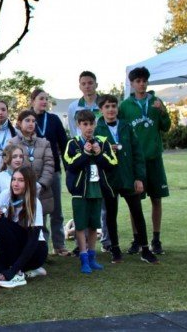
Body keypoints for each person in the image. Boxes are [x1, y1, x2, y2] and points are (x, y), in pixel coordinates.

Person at [96, 95, 158, 264]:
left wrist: (139, 178)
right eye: (107, 106)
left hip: (128, 177)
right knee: (110, 214)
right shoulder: (97, 129)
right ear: (101, 109)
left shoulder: (126, 126)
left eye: (113, 106)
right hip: (109, 178)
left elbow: (138, 153)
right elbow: (95, 155)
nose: (111, 109)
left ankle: (145, 249)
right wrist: (107, 150)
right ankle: (115, 249)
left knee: (137, 212)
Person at [119, 66, 171, 256]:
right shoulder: (125, 106)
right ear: (132, 84)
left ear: (147, 82)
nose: (141, 84)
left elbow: (166, 127)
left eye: (144, 81)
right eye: (137, 81)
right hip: (135, 162)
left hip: (154, 159)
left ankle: (156, 239)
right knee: (135, 201)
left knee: (156, 199)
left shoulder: (156, 102)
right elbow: (121, 129)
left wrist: (163, 112)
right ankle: (138, 240)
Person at [63, 110, 117, 274]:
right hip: (80, 191)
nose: (89, 128)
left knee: (94, 225)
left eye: (91, 124)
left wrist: (99, 154)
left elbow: (113, 163)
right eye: (85, 124)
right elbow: (70, 165)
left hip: (97, 190)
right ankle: (83, 257)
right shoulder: (72, 143)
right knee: (80, 225)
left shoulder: (103, 142)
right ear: (78, 125)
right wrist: (85, 153)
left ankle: (92, 258)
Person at [0, 166, 48, 287]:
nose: (15, 184)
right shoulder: (5, 195)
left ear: (29, 183)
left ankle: (19, 273)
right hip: (12, 250)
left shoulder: (34, 203)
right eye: (13, 179)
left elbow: (32, 242)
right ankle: (24, 269)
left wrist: (13, 271)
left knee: (3, 222)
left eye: (21, 180)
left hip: (35, 251)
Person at [29, 89, 71, 256]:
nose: (44, 102)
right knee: (40, 211)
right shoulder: (28, 119)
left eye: (46, 99)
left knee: (56, 210)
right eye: (41, 99)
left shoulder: (53, 119)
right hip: (34, 173)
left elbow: (64, 144)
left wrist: (68, 169)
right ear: (32, 101)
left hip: (53, 171)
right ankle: (42, 245)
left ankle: (59, 245)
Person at [8, 110, 55, 229]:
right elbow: (9, 165)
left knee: (41, 226)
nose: (31, 123)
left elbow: (49, 166)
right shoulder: (12, 142)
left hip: (41, 191)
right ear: (19, 123)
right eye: (27, 120)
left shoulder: (44, 143)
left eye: (33, 121)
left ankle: (41, 246)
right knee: (20, 225)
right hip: (21, 192)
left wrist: (41, 184)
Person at [67, 71, 101, 136]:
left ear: (96, 85)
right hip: (82, 145)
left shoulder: (105, 105)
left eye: (90, 83)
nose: (87, 86)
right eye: (83, 84)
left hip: (102, 144)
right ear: (80, 87)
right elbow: (73, 130)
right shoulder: (73, 107)